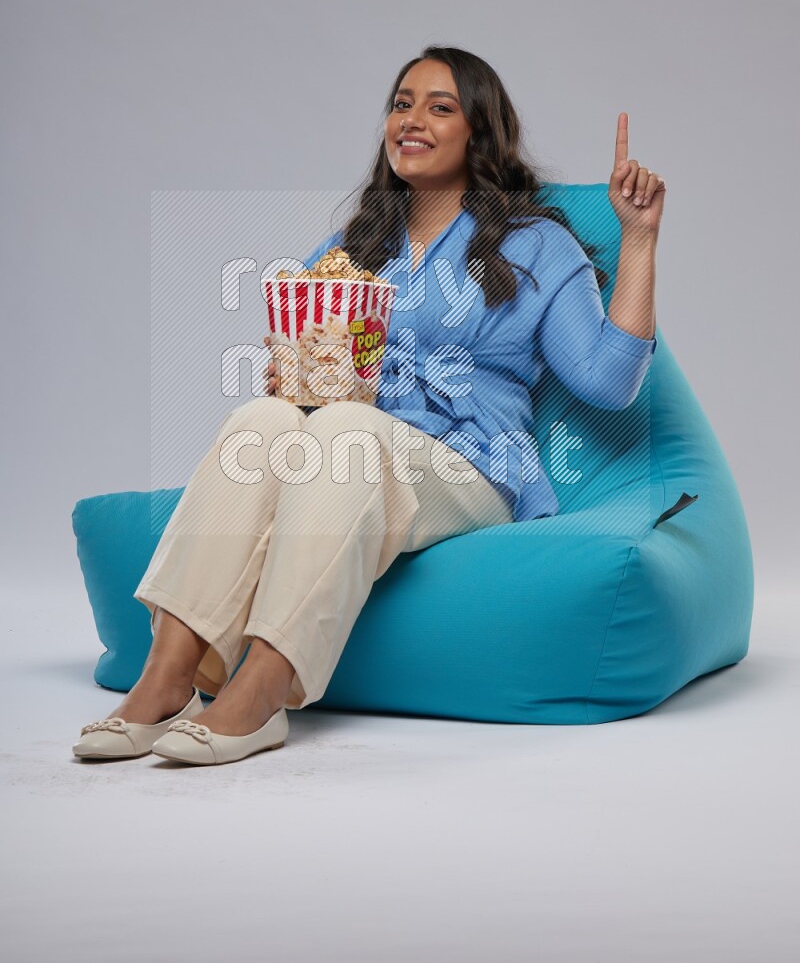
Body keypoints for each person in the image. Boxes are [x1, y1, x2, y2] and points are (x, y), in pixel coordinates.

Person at [72, 45, 665, 766]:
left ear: (479, 132)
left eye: (439, 107)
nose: (411, 120)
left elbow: (609, 380)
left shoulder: (535, 245)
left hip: (471, 466)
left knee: (347, 429)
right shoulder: (353, 247)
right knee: (259, 422)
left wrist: (638, 239)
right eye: (401, 103)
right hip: (348, 453)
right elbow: (316, 377)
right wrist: (294, 379)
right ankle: (166, 674)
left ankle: (262, 688)